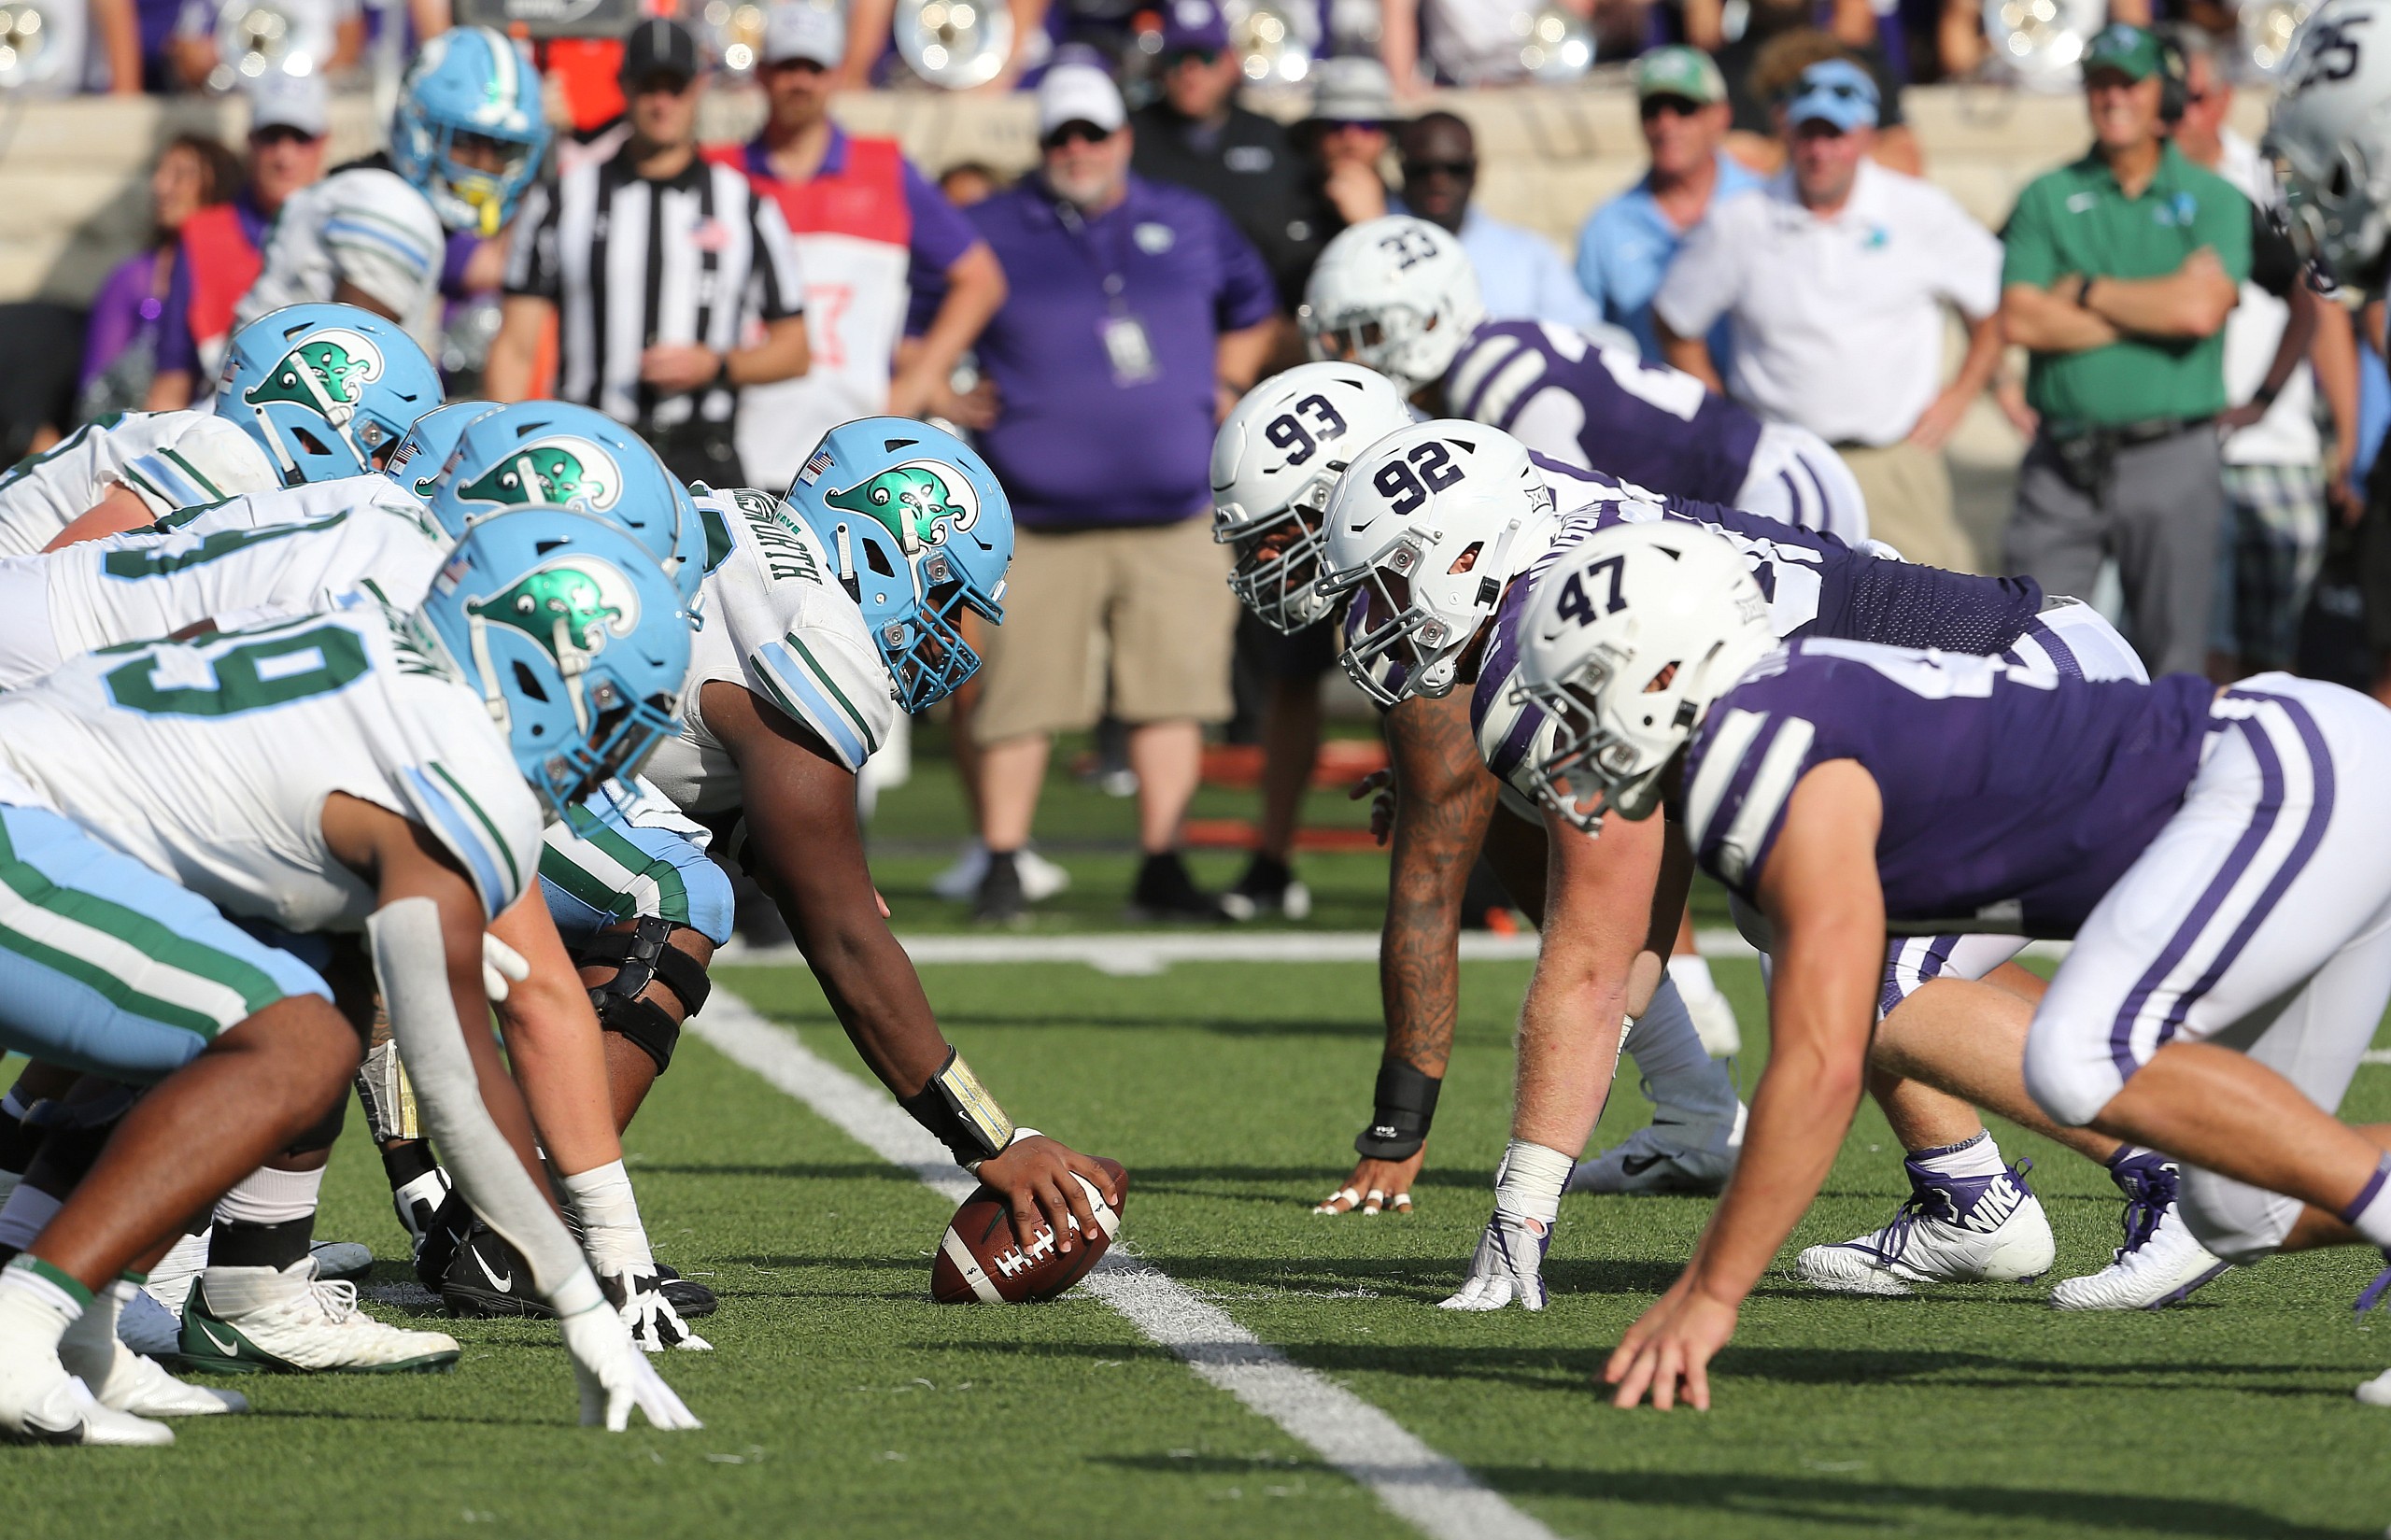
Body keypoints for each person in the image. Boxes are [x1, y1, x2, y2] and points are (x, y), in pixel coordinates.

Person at [1551, 524, 2391, 1412]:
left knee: (2084, 1056)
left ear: (1659, 672)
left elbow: (1822, 1065)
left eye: (1582, 687)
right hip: (2313, 768)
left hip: (2284, 777)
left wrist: (1712, 1292)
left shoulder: (1762, 748)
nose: (1568, 725)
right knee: (2238, 1208)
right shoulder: (1778, 713)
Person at [0, 509, 700, 1443]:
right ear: (543, 666)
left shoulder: (368, 623)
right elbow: (455, 1081)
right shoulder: (461, 774)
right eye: (611, 707)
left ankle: (78, 1323)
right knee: (296, 1035)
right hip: (22, 825)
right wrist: (580, 1298)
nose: (609, 743)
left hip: (41, 792)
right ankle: (20, 1323)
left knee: (309, 973)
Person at [957, 64, 1277, 924]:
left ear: (1123, 137)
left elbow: (1255, 301)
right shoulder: (991, 227)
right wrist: (945, 394)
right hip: (1036, 510)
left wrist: (1233, 375)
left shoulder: (1189, 218)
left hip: (1175, 509)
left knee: (1171, 693)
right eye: (1061, 134)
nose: (1076, 150)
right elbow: (918, 315)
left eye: (1091, 133)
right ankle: (1000, 860)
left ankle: (1162, 863)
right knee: (1019, 696)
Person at [1305, 215, 1870, 544]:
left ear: (1430, 317)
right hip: (1745, 493)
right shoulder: (1498, 346)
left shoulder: (1491, 377)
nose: (1352, 358)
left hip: (1766, 492)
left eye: (1364, 333)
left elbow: (1575, 523)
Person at [1655, 59, 2002, 572]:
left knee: (1925, 620)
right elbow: (1676, 320)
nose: (1821, 152)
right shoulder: (1741, 221)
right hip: (1780, 465)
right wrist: (1722, 413)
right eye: (1809, 134)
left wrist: (1959, 397)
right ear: (1788, 134)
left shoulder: (1918, 210)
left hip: (1893, 462)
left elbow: (1994, 305)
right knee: (1781, 617)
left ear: (1863, 138)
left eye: (1835, 135)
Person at [1999, 22, 2248, 680]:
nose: (2112, 98)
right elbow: (2021, 319)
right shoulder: (2046, 194)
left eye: (2127, 83)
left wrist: (2082, 290)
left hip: (2171, 456)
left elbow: (2199, 310)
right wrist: (2155, 309)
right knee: (2031, 653)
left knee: (2174, 663)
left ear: (2157, 93)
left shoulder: (2216, 197)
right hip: (2063, 461)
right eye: (2099, 84)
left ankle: (2166, 786)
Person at [488, 18, 811, 487]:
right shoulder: (562, 201)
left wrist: (717, 365)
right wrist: (505, 455)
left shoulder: (745, 206)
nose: (662, 104)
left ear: (698, 88)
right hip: (590, 450)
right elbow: (516, 348)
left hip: (704, 455)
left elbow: (796, 350)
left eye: (675, 87)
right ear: (624, 87)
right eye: (648, 88)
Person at [704, 3, 1006, 490]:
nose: (800, 82)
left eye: (814, 68)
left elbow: (980, 279)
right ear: (762, 73)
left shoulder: (883, 166)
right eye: (787, 66)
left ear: (837, 74)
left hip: (853, 460)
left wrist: (916, 383)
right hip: (729, 451)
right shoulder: (718, 172)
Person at [2166, 24, 2360, 680]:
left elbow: (2321, 305)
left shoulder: (2273, 178)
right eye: (2166, 96)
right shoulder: (2136, 182)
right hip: (2184, 454)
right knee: (2200, 657)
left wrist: (2350, 444)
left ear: (2221, 98)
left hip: (2277, 451)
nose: (2176, 113)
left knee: (2277, 665)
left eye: (2189, 97)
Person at [0, 304, 442, 560]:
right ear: (320, 417)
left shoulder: (221, 451)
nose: (388, 467)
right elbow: (57, 586)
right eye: (384, 445)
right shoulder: (231, 460)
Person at [145, 71, 331, 410]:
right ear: (250, 142)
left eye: (300, 138)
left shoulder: (348, 225)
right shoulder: (203, 235)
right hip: (226, 428)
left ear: (323, 144)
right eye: (271, 137)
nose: (284, 156)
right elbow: (173, 377)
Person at [1129, 0, 1322, 313]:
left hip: (1264, 309)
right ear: (1160, 66)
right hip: (1165, 307)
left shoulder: (1270, 137)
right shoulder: (1129, 138)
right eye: (1178, 57)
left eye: (1205, 57)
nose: (1191, 71)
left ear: (1231, 61)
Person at [1575, 48, 1762, 367]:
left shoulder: (1765, 204)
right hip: (1653, 410)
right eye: (1652, 110)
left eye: (1683, 107)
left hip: (1757, 408)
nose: (1666, 124)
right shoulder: (1608, 225)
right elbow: (1587, 339)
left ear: (1720, 116)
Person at [78, 134, 242, 422]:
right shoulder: (133, 277)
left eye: (181, 174)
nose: (161, 186)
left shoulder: (244, 270)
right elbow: (95, 394)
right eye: (160, 172)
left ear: (217, 184)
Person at [1395, 112, 1596, 332]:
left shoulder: (1530, 253)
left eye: (1455, 169)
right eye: (1422, 170)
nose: (1438, 181)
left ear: (1475, 171)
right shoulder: (1376, 249)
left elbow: (1582, 332)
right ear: (1404, 172)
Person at [1291, 57, 1399, 238]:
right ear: (1314, 134)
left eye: (1367, 124)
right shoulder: (1278, 212)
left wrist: (1372, 223)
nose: (1351, 140)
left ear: (1386, 135)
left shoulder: (1412, 209)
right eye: (1336, 124)